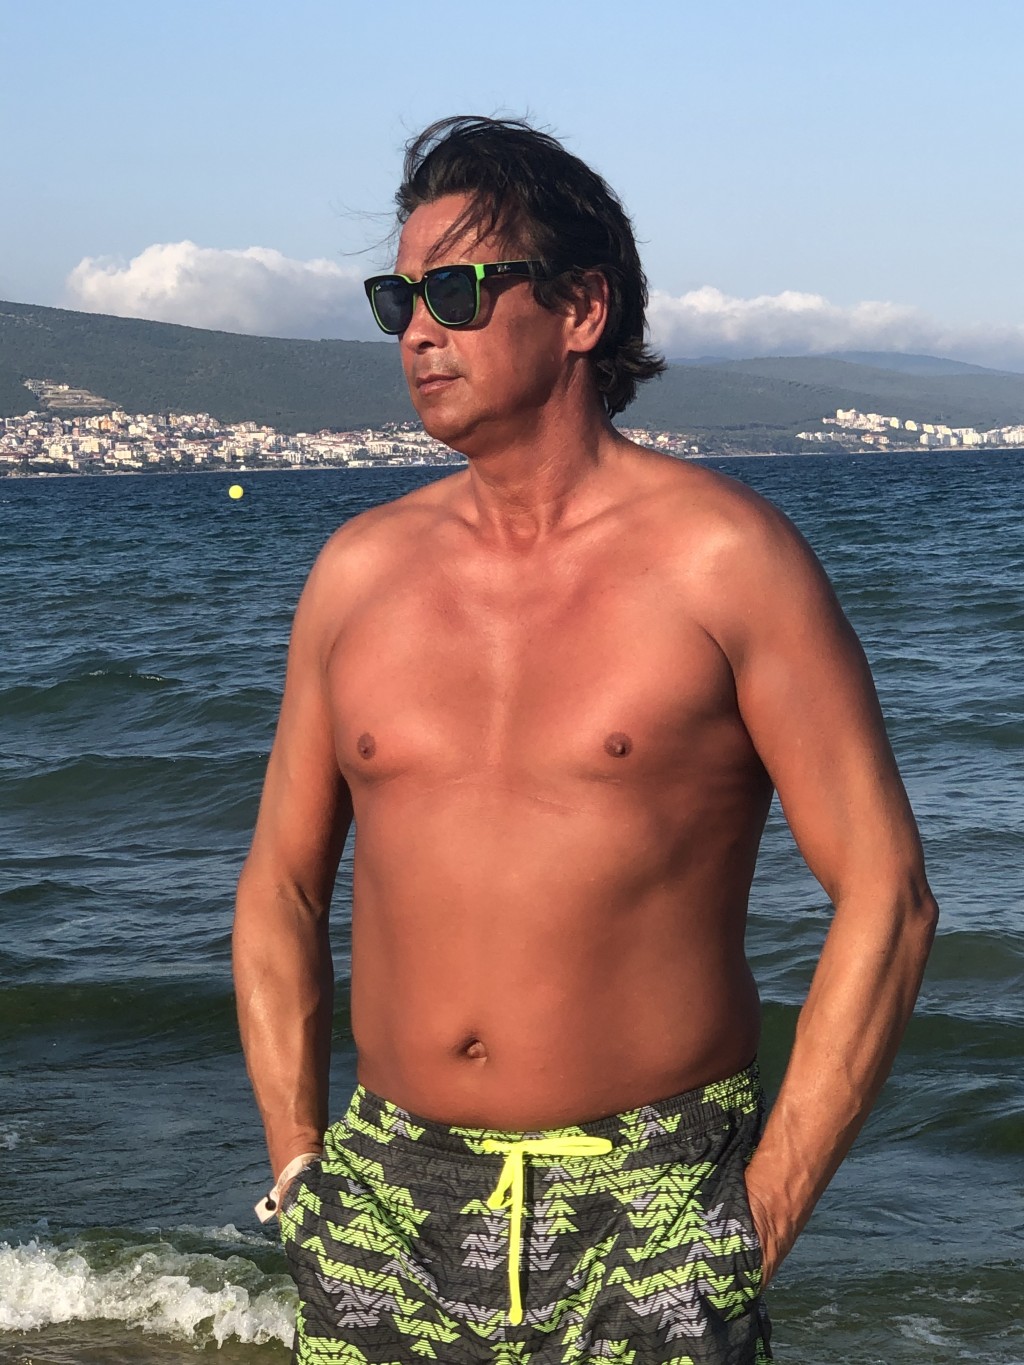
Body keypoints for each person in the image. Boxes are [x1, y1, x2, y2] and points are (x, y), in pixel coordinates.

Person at [232, 116, 938, 1365]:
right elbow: (281, 886)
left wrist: (754, 1221)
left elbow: (887, 892)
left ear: (581, 308)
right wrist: (300, 1166)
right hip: (384, 1201)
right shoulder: (357, 574)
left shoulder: (726, 560)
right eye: (398, 298)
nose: (418, 331)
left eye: (455, 291)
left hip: (651, 1198)